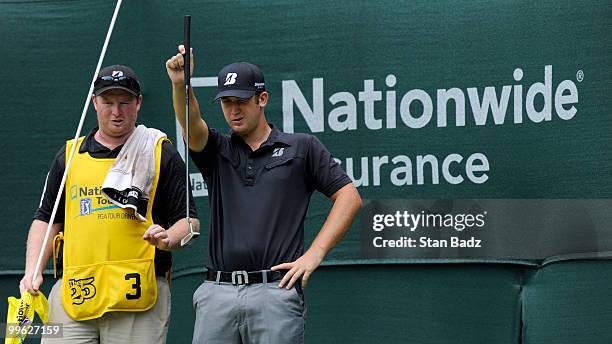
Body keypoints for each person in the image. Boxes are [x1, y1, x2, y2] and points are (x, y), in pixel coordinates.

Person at [165, 46, 362, 343]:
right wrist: (181, 84)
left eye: (241, 101)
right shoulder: (217, 150)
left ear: (262, 99)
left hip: (274, 292)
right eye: (226, 102)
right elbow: (192, 126)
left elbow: (349, 197)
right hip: (218, 292)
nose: (233, 110)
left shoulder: (301, 147)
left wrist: (314, 254)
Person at [20, 64, 200, 344]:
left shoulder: (159, 151)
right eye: (108, 102)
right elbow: (46, 219)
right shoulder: (69, 156)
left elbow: (189, 222)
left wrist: (167, 239)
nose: (116, 112)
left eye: (125, 103)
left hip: (139, 299)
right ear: (94, 102)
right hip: (74, 294)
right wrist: (32, 271)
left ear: (139, 103)